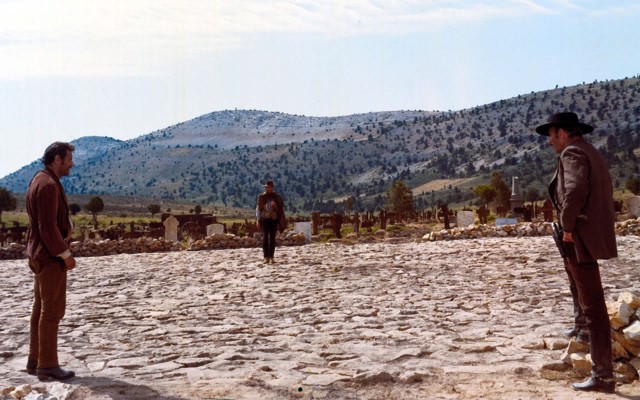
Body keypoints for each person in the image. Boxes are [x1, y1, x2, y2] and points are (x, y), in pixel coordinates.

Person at [535, 112, 617, 393]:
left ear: (562, 133)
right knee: (584, 294)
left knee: (593, 305)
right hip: (586, 235)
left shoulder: (572, 153)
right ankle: (582, 332)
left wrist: (567, 226)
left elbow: (575, 190)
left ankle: (603, 375)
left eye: (551, 135)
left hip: (579, 237)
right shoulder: (589, 150)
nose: (549, 142)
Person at [25, 142, 77, 381]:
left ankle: (35, 359)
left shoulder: (39, 179)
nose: (71, 164)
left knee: (40, 308)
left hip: (38, 255)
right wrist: (65, 255)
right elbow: (47, 227)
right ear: (57, 159)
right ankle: (47, 365)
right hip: (49, 257)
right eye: (68, 159)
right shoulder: (47, 185)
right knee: (52, 311)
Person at [256, 180, 285, 263]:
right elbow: (258, 209)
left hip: (273, 219)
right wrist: (258, 220)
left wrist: (275, 206)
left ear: (272, 188)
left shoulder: (276, 197)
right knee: (265, 238)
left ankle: (271, 257)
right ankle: (266, 257)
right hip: (264, 219)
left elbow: (280, 209)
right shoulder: (261, 197)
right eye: (267, 187)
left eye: (270, 187)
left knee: (272, 238)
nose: (268, 188)